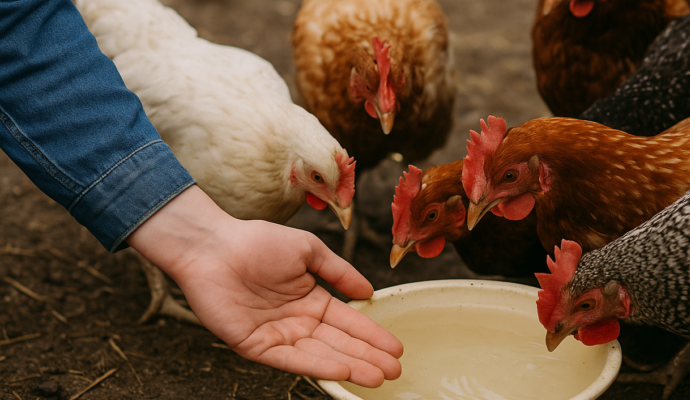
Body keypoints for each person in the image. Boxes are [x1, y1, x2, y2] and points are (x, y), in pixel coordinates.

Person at [0, 0, 402, 388]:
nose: (337, 204)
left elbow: (21, 35)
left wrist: (199, 245)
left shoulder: (264, 118)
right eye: (317, 178)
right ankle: (157, 284)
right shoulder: (208, 137)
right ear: (298, 168)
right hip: (143, 57)